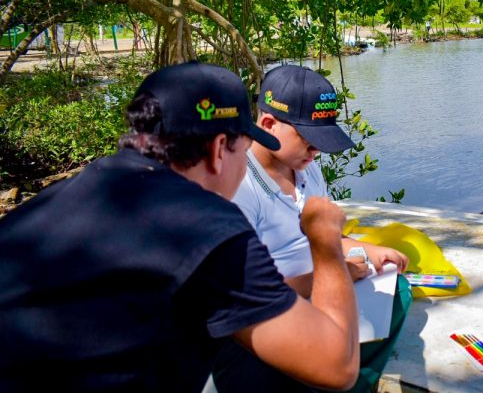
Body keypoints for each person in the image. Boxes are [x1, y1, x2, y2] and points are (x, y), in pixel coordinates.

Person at [0, 61, 360, 392]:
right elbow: (337, 366)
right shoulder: (208, 229)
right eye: (244, 148)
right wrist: (325, 242)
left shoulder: (59, 199)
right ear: (221, 148)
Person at [212, 64, 412, 393]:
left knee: (398, 293)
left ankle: (348, 381)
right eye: (308, 140)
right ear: (267, 124)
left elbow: (326, 237)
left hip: (321, 290)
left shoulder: (306, 169)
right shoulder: (240, 188)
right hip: (264, 322)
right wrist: (337, 273)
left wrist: (368, 251)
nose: (316, 151)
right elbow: (243, 299)